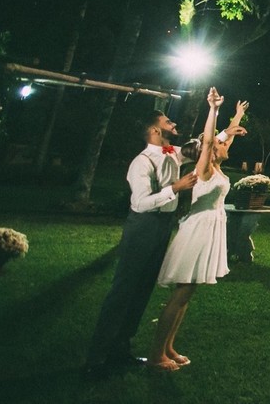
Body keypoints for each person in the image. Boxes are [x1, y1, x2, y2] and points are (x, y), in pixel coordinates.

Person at [84, 110, 198, 378]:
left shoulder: (171, 152)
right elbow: (139, 203)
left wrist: (227, 128)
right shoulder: (141, 162)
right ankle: (96, 359)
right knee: (123, 291)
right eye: (167, 121)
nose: (173, 123)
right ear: (155, 131)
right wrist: (175, 188)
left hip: (163, 226)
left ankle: (120, 350)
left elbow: (201, 149)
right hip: (143, 227)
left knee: (142, 290)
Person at [149, 90, 247, 371]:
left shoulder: (216, 166)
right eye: (220, 143)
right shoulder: (205, 169)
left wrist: (237, 116)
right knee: (180, 294)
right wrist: (213, 109)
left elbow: (222, 139)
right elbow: (208, 141)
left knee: (187, 293)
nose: (226, 143)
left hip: (208, 230)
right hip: (197, 231)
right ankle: (156, 355)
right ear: (212, 150)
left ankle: (169, 347)